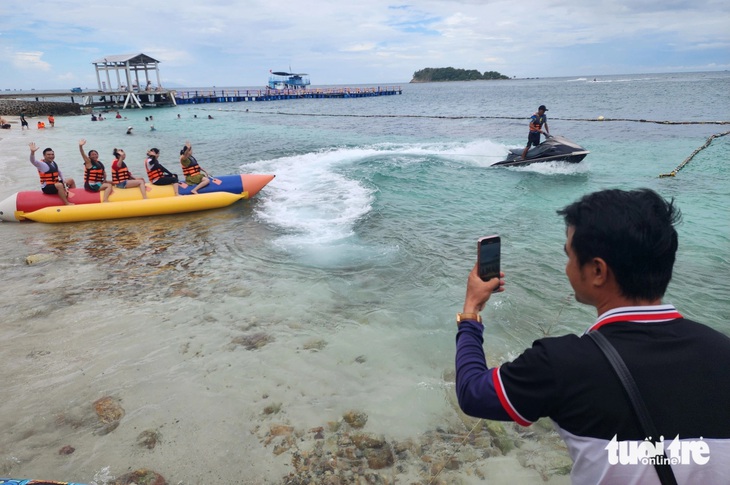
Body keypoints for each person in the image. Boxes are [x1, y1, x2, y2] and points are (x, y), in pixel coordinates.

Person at [455, 188, 730, 484]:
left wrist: (471, 310)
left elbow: (473, 393)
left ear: (598, 270)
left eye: (569, 256)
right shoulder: (722, 351)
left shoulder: (560, 364)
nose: (566, 267)